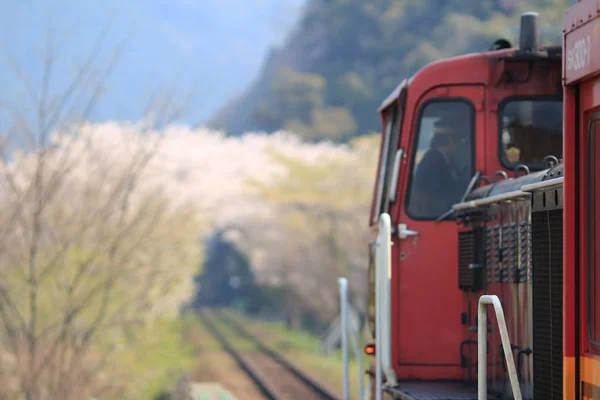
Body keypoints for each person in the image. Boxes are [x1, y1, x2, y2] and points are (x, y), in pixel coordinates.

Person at [410, 116, 466, 216]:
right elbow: (445, 195)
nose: (461, 144)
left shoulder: (436, 159)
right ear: (450, 139)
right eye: (459, 139)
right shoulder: (434, 164)